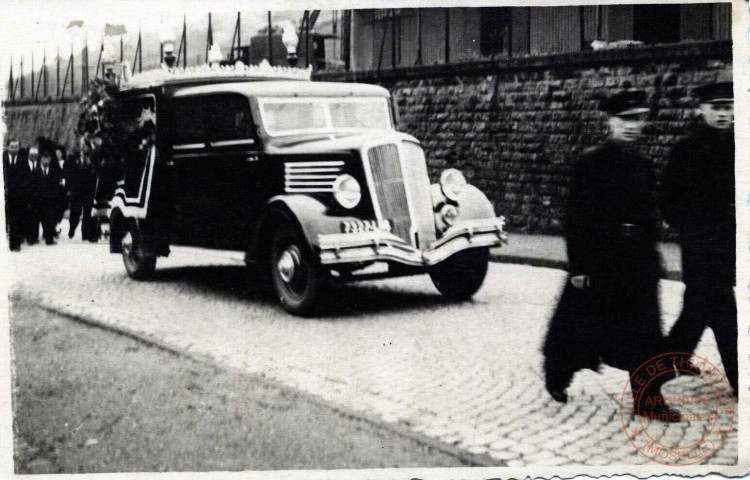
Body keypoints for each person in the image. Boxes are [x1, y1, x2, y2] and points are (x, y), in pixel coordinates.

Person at [543, 90, 677, 420]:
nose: (633, 126)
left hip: (637, 261)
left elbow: (650, 215)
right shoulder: (592, 163)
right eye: (626, 119)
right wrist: (579, 266)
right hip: (601, 260)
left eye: (638, 119)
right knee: (580, 326)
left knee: (645, 332)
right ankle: (558, 373)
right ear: (610, 121)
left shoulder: (643, 165)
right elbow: (575, 219)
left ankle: (648, 400)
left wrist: (652, 256)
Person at [660, 81, 737, 395]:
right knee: (721, 311)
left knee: (698, 310)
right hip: (700, 246)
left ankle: (663, 363)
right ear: (701, 109)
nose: (722, 114)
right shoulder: (687, 149)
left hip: (728, 245)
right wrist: (693, 228)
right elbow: (668, 201)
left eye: (728, 107)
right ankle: (740, 378)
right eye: (716, 108)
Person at [3, 139, 28, 251]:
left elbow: (26, 178)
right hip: (5, 194)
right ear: (7, 147)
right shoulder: (3, 159)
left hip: (18, 196)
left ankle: (15, 243)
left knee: (16, 219)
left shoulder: (23, 161)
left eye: (16, 147)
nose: (14, 149)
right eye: (12, 146)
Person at [23, 146, 41, 245]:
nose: (33, 157)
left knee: (36, 217)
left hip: (36, 196)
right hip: (26, 195)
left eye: (35, 155)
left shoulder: (39, 166)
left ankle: (34, 236)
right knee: (27, 217)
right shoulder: (23, 166)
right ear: (29, 155)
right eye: (32, 155)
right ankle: (28, 237)